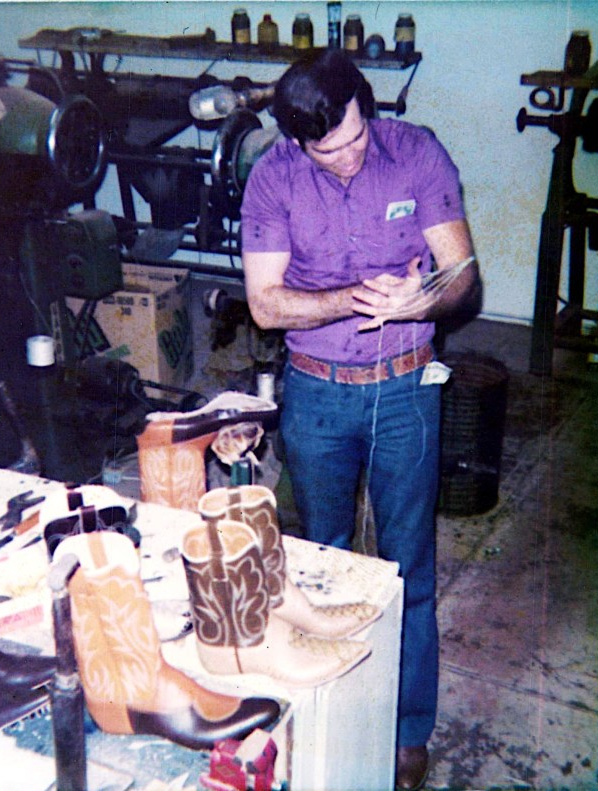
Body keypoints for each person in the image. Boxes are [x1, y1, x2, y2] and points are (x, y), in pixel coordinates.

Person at [239, 49, 481, 791]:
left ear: (365, 109)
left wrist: (424, 301)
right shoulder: (272, 176)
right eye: (325, 150)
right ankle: (323, 715)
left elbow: (463, 275)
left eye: (352, 138)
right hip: (315, 392)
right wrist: (357, 298)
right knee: (317, 564)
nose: (344, 158)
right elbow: (266, 304)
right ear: (296, 141)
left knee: (407, 566)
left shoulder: (417, 154)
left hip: (407, 388)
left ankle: (407, 731)